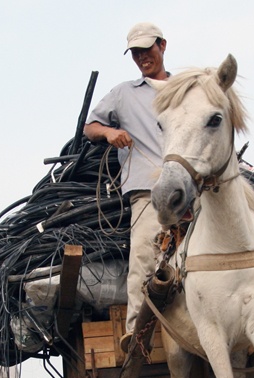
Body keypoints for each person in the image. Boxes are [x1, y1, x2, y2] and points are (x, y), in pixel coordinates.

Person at [83, 21, 170, 335]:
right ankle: (136, 335)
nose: (142, 57)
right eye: (135, 53)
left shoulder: (185, 87)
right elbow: (90, 126)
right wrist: (109, 132)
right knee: (144, 262)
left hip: (189, 191)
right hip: (148, 191)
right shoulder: (123, 94)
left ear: (162, 45)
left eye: (147, 49)